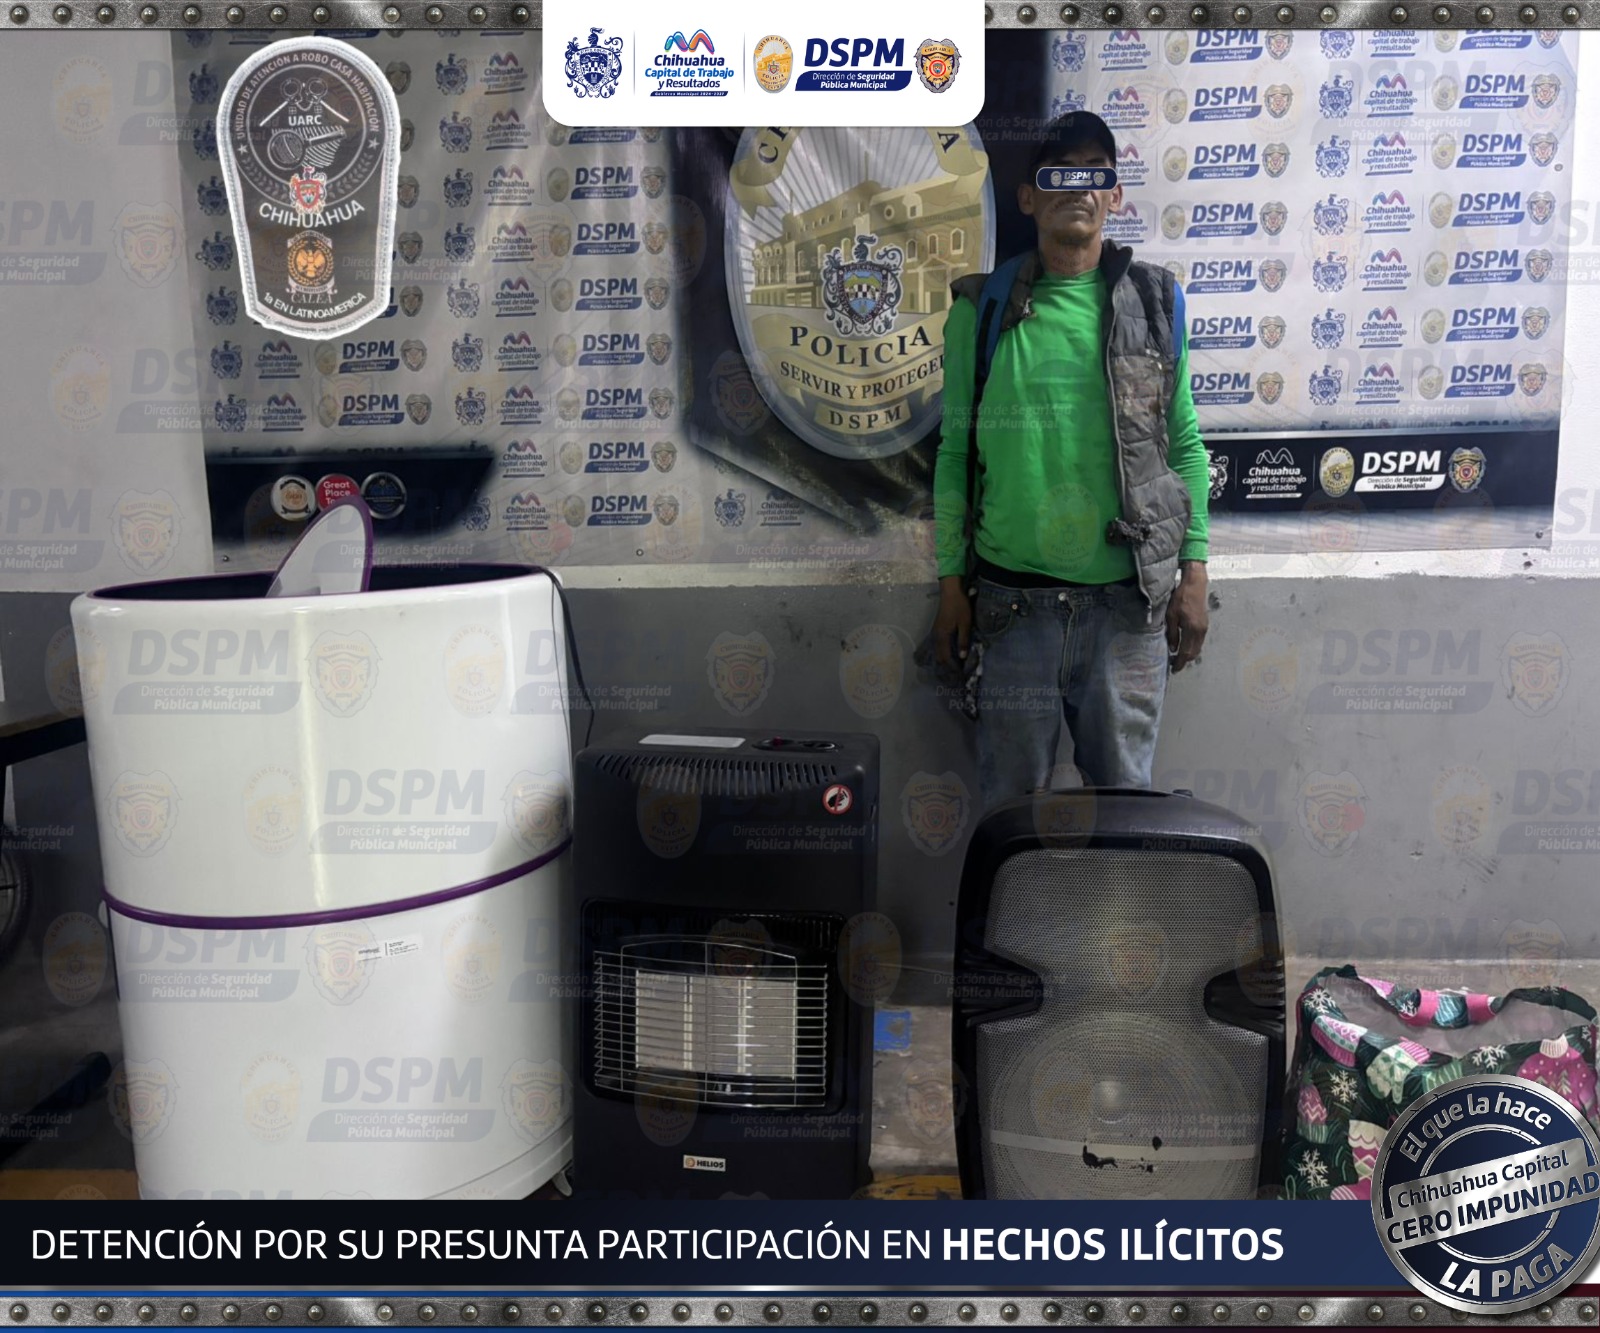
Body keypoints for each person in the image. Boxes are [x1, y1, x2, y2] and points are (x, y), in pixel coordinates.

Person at [932, 112, 1211, 812]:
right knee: (1009, 818)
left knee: (1123, 817)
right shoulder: (981, 311)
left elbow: (1183, 444)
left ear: (1114, 195)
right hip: (1010, 611)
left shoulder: (1157, 303)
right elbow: (955, 451)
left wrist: (1196, 571)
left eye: (1094, 173)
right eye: (1059, 174)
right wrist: (950, 586)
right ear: (1028, 198)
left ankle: (1114, 900)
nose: (1077, 187)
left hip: (1127, 613)